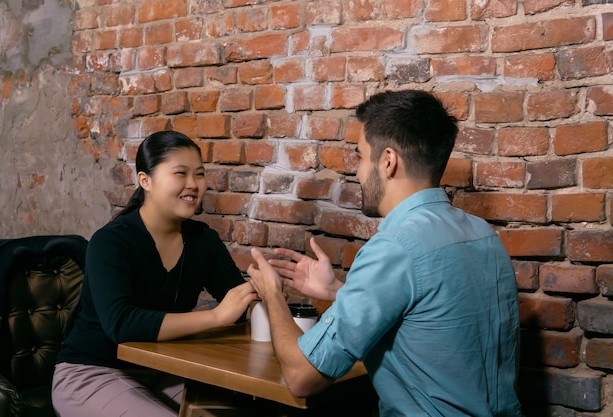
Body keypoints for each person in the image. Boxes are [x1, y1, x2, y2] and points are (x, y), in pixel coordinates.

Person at [247, 90, 522, 417]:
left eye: (361, 157)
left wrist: (272, 295)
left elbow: (302, 377)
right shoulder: (482, 235)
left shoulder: (396, 246)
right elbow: (428, 320)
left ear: (388, 161)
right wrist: (337, 290)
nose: (359, 173)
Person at [52, 131, 258, 417]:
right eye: (180, 173)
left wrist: (263, 295)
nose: (193, 184)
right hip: (91, 371)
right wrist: (216, 316)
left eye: (199, 174)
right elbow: (121, 324)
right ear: (145, 180)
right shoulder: (110, 242)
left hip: (165, 368)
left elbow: (237, 303)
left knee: (240, 409)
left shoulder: (203, 241)